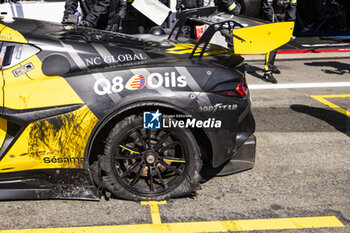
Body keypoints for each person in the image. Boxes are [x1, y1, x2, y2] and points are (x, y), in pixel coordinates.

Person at [262, 0, 297, 83]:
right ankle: (267, 72)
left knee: (277, 43)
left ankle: (271, 65)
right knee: (271, 46)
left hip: (282, 16)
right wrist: (274, 21)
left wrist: (290, 23)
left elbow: (293, 7)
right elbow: (267, 7)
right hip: (271, 18)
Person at [62, 0, 127, 32]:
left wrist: (89, 21)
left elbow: (102, 5)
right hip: (89, 23)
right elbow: (70, 3)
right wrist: (68, 18)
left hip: (107, 26)